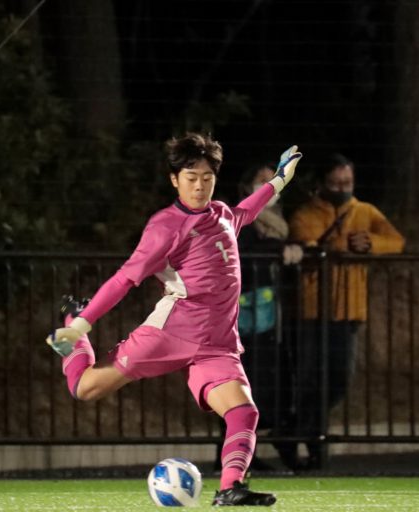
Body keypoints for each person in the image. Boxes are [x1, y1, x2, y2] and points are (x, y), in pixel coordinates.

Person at [46, 133, 302, 506]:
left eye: (207, 177)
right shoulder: (165, 225)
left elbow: (246, 210)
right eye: (191, 177)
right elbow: (125, 278)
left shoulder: (222, 214)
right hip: (171, 332)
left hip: (216, 344)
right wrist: (82, 323)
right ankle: (71, 326)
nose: (199, 185)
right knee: (85, 389)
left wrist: (279, 181)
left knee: (244, 412)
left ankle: (230, 488)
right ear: (174, 179)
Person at [288, 153, 404, 469]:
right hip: (312, 309)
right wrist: (338, 248)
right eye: (336, 183)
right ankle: (313, 442)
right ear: (321, 184)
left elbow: (395, 241)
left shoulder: (365, 211)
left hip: (349, 308)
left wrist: (371, 244)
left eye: (347, 182)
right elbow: (306, 243)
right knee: (311, 378)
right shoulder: (306, 214)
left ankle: (296, 429)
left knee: (338, 379)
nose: (342, 188)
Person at [212, 163, 304, 472]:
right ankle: (230, 454)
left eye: (273, 180)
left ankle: (245, 452)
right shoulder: (239, 217)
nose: (270, 186)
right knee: (239, 385)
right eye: (262, 180)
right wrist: (280, 249)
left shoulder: (278, 222)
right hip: (239, 316)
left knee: (267, 384)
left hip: (265, 314)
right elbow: (242, 247)